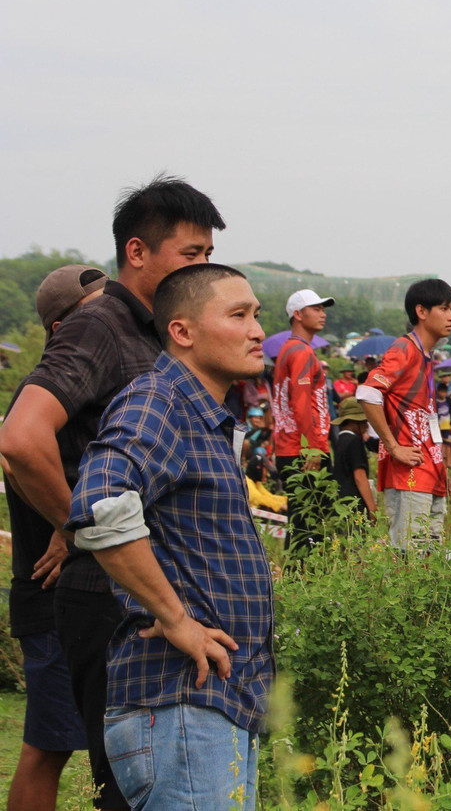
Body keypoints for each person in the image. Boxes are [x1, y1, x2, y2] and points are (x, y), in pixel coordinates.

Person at [0, 175, 223, 810]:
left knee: (154, 773)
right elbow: (20, 438)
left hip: (151, 587)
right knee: (124, 785)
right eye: (190, 254)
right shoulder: (99, 324)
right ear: (137, 252)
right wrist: (79, 525)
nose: (203, 267)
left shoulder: (161, 332)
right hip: (106, 593)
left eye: (208, 254)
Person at [66, 263, 274, 809]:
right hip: (181, 706)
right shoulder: (159, 401)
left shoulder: (202, 416)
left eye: (257, 315)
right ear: (181, 331)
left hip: (214, 706)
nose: (257, 330)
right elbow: (101, 506)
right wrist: (176, 619)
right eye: (238, 315)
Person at [2, 264, 106, 811]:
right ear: (61, 327)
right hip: (50, 591)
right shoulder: (45, 388)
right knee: (48, 749)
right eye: (96, 314)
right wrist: (74, 527)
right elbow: (16, 453)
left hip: (80, 590)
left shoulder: (85, 383)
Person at [355, 279, 451, 549]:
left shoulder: (426, 356)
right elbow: (368, 393)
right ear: (421, 312)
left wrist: (440, 468)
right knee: (409, 558)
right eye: (444, 309)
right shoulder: (405, 348)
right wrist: (393, 446)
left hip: (429, 471)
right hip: (408, 472)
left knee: (429, 559)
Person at [271, 288, 335, 552]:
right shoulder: (301, 353)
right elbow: (300, 403)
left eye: (323, 309)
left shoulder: (289, 349)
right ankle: (304, 583)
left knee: (301, 521)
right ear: (298, 314)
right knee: (312, 522)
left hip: (292, 446)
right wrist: (312, 446)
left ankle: (298, 581)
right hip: (304, 449)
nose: (322, 314)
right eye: (316, 309)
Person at [330, 396, 377, 522]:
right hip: (355, 504)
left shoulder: (340, 440)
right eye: (364, 421)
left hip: (342, 503)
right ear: (355, 421)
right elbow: (359, 476)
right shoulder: (355, 441)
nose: (367, 425)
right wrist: (372, 507)